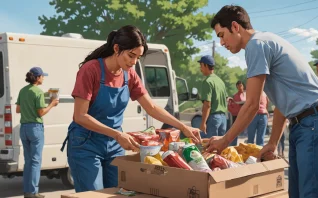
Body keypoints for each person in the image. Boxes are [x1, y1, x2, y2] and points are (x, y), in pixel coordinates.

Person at [206, 5, 318, 198]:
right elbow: (282, 104)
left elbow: (251, 105)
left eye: (221, 35)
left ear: (235, 27)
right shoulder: (264, 41)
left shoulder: (256, 45)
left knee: (312, 194)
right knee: (299, 193)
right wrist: (273, 142)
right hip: (305, 123)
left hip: (314, 122)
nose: (222, 42)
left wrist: (225, 141)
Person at [61, 25, 201, 193]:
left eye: (138, 58)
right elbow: (80, 116)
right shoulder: (91, 70)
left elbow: (152, 107)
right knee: (93, 195)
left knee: (120, 192)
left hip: (114, 144)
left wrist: (183, 127)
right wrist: (117, 134)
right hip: (86, 143)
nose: (134, 62)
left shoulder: (130, 74)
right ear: (116, 48)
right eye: (131, 55)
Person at [16, 67, 59, 198]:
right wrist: (52, 104)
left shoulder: (23, 91)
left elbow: (18, 109)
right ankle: (33, 192)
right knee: (35, 161)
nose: (43, 78)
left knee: (28, 161)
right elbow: (41, 112)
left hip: (24, 128)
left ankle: (27, 191)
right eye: (42, 76)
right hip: (35, 128)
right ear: (37, 77)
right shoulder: (38, 92)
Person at [198, 55, 228, 139]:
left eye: (201, 65)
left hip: (214, 118)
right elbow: (226, 99)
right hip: (223, 118)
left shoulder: (207, 82)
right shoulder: (220, 81)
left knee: (210, 146)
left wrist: (203, 123)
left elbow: (207, 105)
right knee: (220, 146)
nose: (200, 68)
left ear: (206, 65)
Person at [227, 80, 247, 145]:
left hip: (246, 115)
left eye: (240, 85)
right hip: (236, 116)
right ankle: (233, 145)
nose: (239, 87)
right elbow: (230, 106)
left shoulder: (247, 94)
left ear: (243, 86)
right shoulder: (235, 96)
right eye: (238, 86)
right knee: (235, 131)